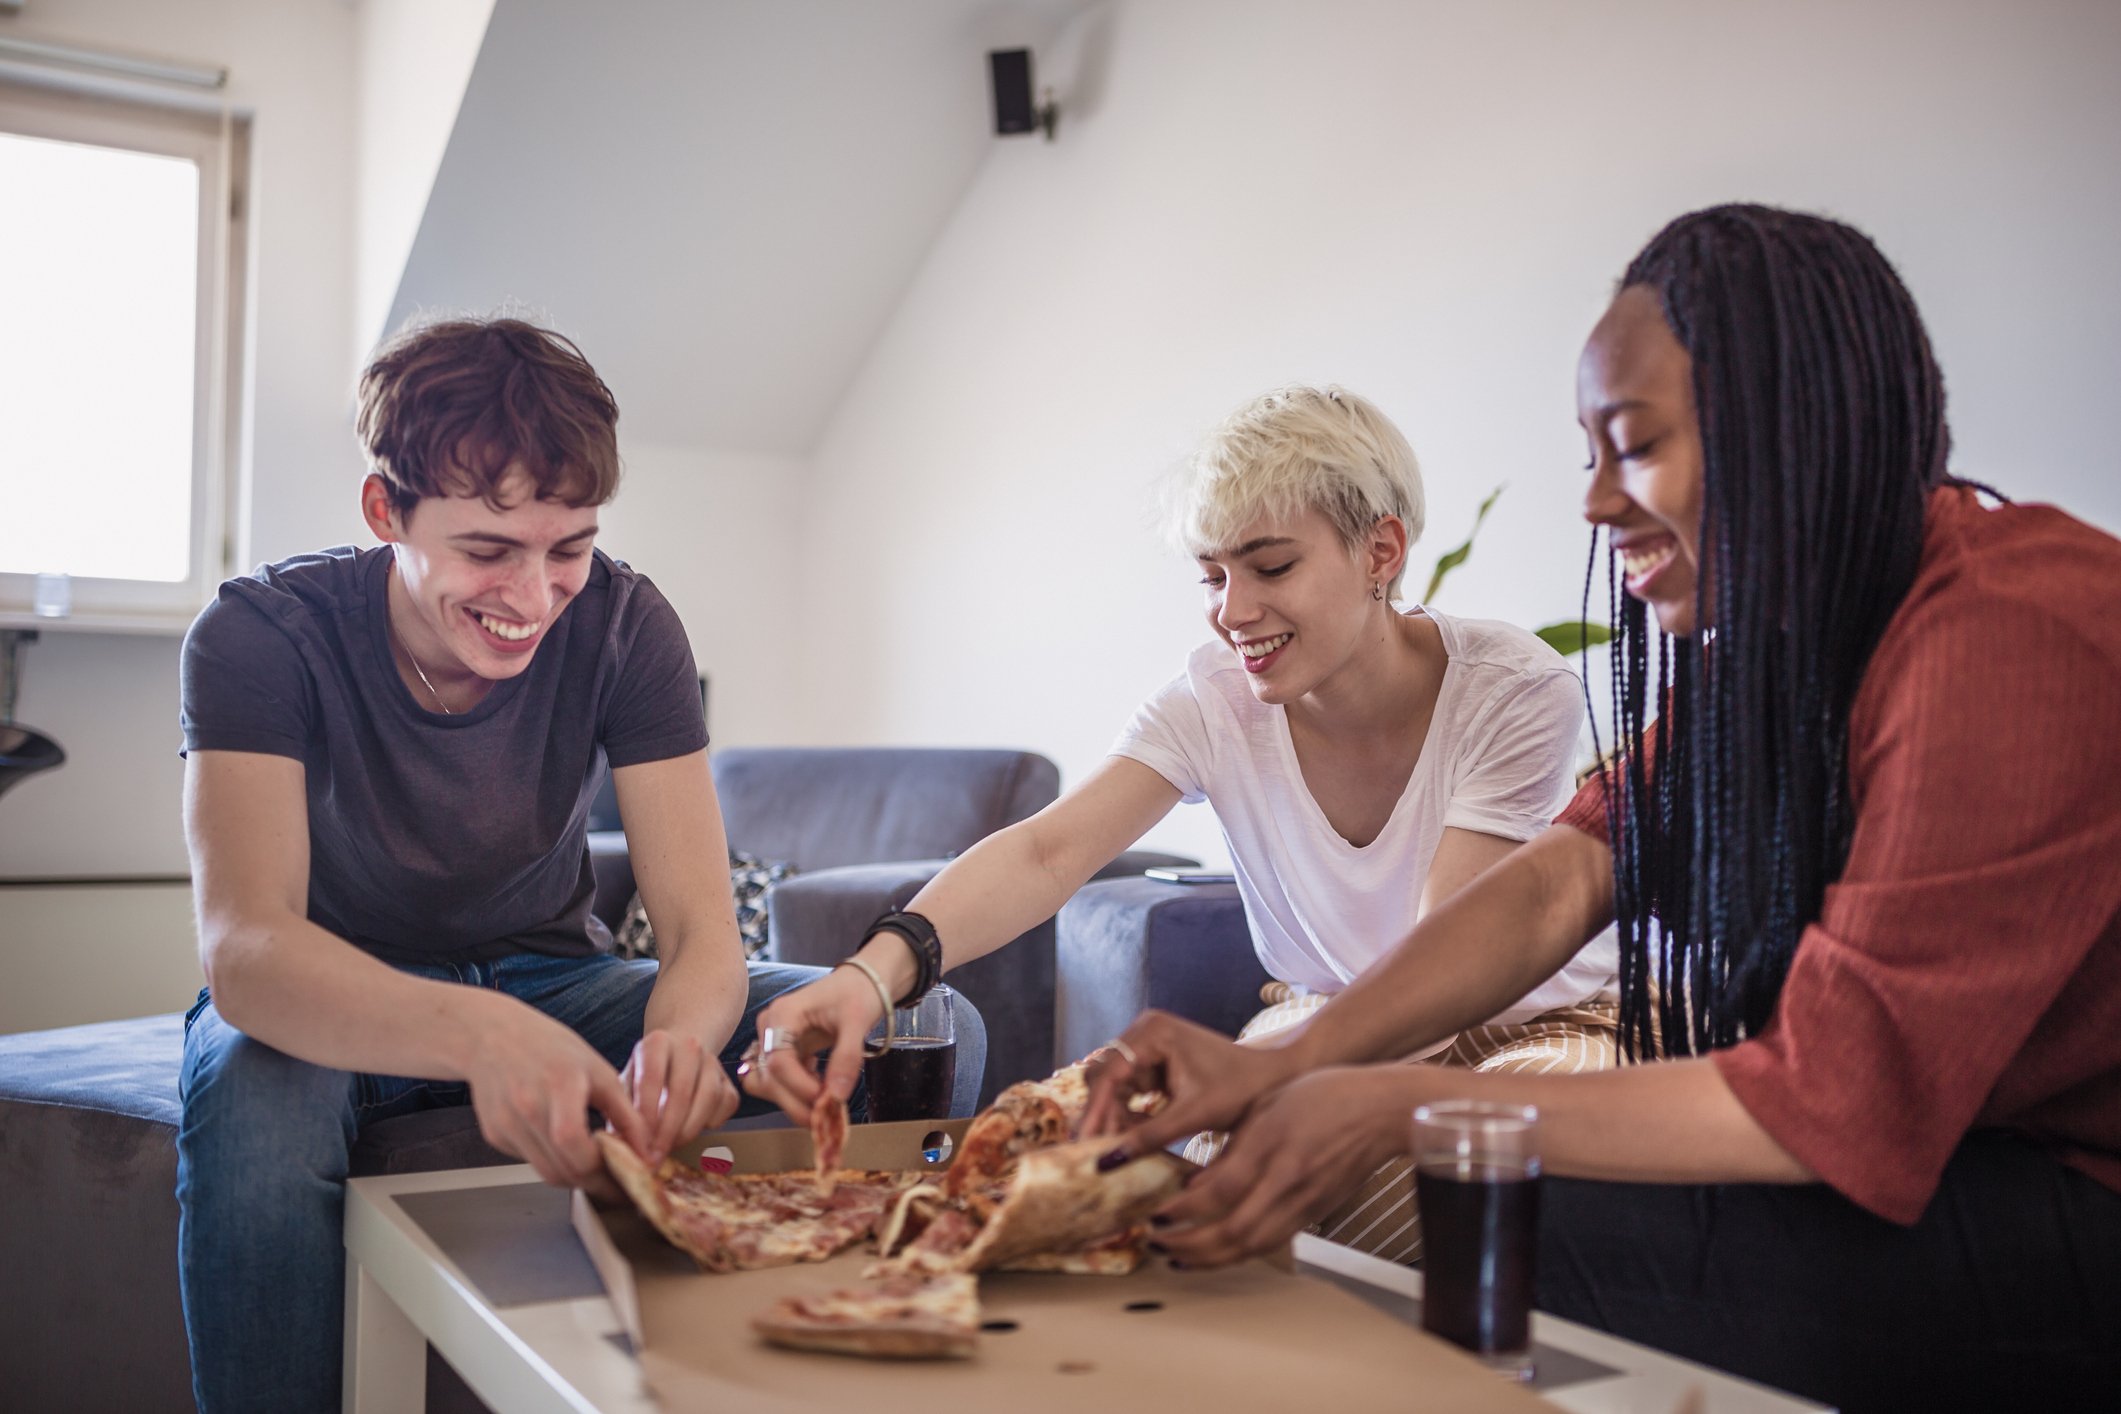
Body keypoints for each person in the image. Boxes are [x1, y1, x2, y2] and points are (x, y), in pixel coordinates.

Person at [1082, 205, 2121, 1412]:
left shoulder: (2012, 637)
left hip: (2079, 1194)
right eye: (1590, 453)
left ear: (1789, 427)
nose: (1594, 504)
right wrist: (1298, 1057)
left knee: (1534, 1208)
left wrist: (1391, 1102)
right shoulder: (1798, 637)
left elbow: (1825, 1103)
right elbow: (1567, 874)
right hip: (1964, 1158)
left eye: (1630, 446)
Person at [743, 384, 1619, 1259]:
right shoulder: (1211, 702)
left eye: (1271, 568)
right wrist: (872, 973)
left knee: (1464, 1159)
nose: (1233, 612)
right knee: (1138, 1181)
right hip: (1324, 1012)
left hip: (1537, 1027)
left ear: (1379, 549)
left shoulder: (1511, 689)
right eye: (1212, 576)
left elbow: (1448, 962)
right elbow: (1048, 851)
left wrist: (1272, 1087)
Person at [175, 317, 833, 1412]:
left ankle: (771, 1375)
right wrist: (485, 1034)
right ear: (386, 510)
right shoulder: (258, 634)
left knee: (853, 1016)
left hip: (553, 977)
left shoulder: (629, 624)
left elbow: (702, 932)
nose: (532, 598)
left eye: (567, 547)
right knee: (253, 1092)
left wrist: (678, 1037)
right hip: (347, 990)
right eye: (488, 550)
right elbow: (249, 954)